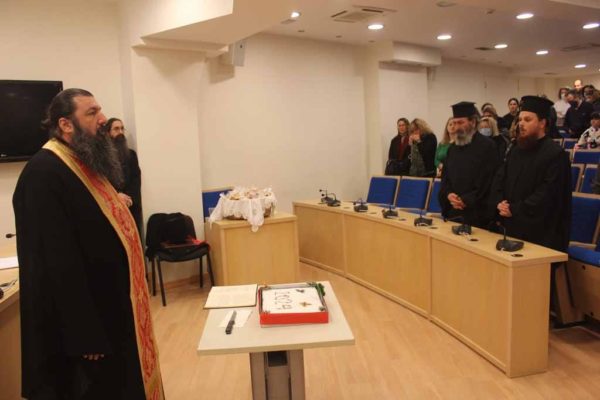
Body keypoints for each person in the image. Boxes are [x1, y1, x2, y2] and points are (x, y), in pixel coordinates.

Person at [13, 89, 164, 399]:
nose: (103, 118)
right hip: (86, 332)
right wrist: (83, 332)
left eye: (100, 110)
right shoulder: (44, 173)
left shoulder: (81, 162)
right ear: (66, 124)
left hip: (112, 311)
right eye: (92, 112)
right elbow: (54, 262)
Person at [489, 95, 571, 251]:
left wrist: (516, 209)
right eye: (520, 120)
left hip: (541, 231)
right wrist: (499, 203)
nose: (521, 124)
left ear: (542, 123)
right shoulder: (515, 149)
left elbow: (548, 193)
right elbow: (500, 178)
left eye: (527, 120)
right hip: (511, 224)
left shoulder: (555, 154)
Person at [439, 101, 499, 228]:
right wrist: (448, 194)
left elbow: (489, 182)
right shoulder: (452, 149)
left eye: (461, 122)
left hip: (477, 213)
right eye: (455, 123)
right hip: (454, 210)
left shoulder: (487, 147)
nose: (456, 127)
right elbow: (445, 178)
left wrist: (466, 200)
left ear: (473, 122)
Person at [104, 118, 143, 237]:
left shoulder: (131, 155)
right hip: (111, 206)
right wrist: (116, 196)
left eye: (122, 128)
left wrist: (128, 199)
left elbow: (136, 179)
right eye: (116, 129)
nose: (120, 132)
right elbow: (102, 181)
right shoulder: (103, 156)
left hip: (130, 205)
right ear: (108, 133)